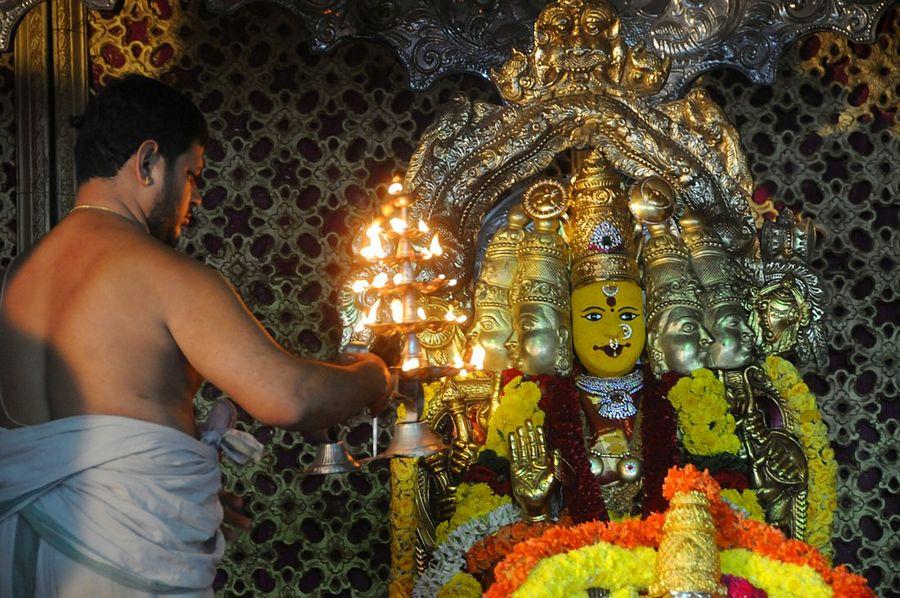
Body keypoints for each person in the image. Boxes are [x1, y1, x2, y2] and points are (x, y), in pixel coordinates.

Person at [0, 74, 392, 596]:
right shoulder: (163, 273)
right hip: (118, 567)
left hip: (23, 555)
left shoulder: (17, 278)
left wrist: (153, 496)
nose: (196, 198)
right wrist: (374, 377)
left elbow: (67, 440)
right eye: (191, 174)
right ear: (147, 163)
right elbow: (289, 398)